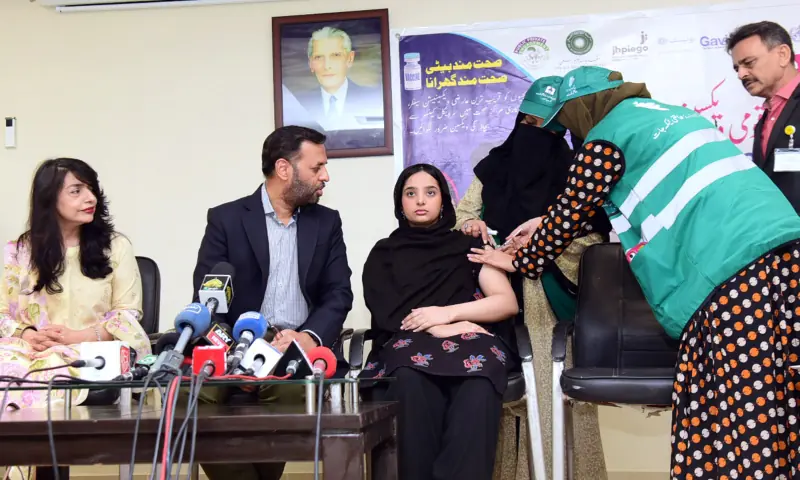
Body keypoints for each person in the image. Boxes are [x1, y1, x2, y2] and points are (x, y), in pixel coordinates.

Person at [468, 65, 800, 479]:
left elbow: (571, 213)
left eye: (564, 124)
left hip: (731, 270)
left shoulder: (607, 137)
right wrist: (547, 225)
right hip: (783, 251)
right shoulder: (672, 114)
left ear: (581, 109)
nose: (567, 135)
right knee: (779, 393)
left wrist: (519, 259)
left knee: (737, 403)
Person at [455, 76, 609, 480]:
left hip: (548, 301)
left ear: (560, 130)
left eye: (543, 127)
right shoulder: (492, 168)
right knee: (502, 397)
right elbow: (464, 214)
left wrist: (532, 254)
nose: (531, 134)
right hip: (493, 296)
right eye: (525, 122)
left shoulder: (578, 175)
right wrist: (475, 229)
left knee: (553, 392)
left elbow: (592, 237)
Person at [191, 125, 353, 480]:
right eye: (316, 168)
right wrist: (240, 352)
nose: (326, 176)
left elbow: (338, 294)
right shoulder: (226, 219)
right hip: (236, 346)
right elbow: (206, 301)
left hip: (296, 351)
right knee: (196, 400)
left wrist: (307, 337)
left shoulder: (326, 223)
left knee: (287, 390)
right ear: (284, 169)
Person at [360, 163, 519, 480]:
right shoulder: (384, 253)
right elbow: (387, 311)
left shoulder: (470, 246)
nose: (420, 201)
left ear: (444, 201)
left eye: (430, 192)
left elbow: (506, 302)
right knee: (408, 376)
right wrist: (439, 327)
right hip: (407, 339)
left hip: (470, 339)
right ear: (400, 204)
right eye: (411, 193)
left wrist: (449, 315)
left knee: (480, 375)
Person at [0, 158, 150, 480]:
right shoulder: (19, 251)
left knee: (47, 375)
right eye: (77, 190)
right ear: (49, 198)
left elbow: (128, 314)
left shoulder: (115, 247)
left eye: (92, 189)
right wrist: (26, 333)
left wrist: (77, 337)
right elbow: (2, 313)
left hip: (89, 351)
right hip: (29, 350)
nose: (90, 198)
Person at [727, 21, 800, 212]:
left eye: (749, 63)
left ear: (782, 55)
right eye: (737, 68)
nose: (741, 75)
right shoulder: (766, 117)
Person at [285, 26, 384, 149]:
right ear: (311, 63)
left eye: (336, 55)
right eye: (318, 57)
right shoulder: (298, 104)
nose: (327, 66)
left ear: (350, 58)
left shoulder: (373, 101)